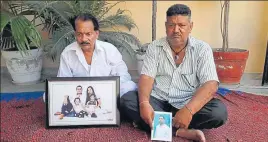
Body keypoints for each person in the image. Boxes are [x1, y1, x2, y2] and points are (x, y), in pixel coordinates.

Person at [120, 4, 228, 142]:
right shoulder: (154, 47)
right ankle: (181, 131)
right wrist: (144, 103)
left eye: (181, 25)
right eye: (171, 25)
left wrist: (189, 110)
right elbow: (147, 77)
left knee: (218, 112)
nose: (176, 30)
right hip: (158, 100)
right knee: (127, 101)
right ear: (166, 26)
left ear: (190, 26)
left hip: (187, 101)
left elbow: (211, 84)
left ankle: (158, 126)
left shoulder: (202, 49)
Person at [56, 13, 137, 97]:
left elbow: (123, 76)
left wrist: (106, 88)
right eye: (79, 34)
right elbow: (63, 81)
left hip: (107, 92)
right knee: (48, 95)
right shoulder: (67, 53)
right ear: (75, 34)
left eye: (88, 34)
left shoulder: (109, 50)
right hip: (80, 93)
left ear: (96, 34)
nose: (83, 39)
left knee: (129, 86)